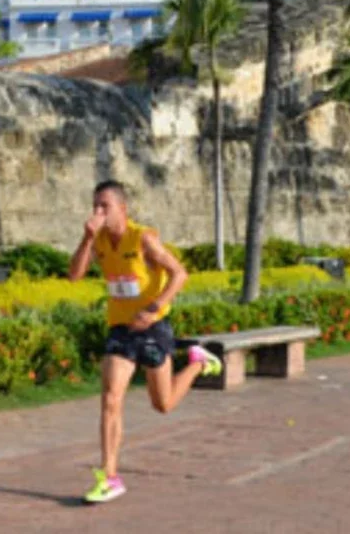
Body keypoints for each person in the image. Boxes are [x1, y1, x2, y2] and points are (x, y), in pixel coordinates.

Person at [68, 180, 224, 504]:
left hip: (152, 328)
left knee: (163, 404)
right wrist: (85, 237)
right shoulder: (96, 240)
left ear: (122, 209)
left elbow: (179, 274)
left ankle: (196, 362)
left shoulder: (143, 239)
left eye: (104, 206)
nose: (98, 212)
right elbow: (75, 275)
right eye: (95, 205)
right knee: (111, 398)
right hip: (120, 331)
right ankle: (110, 476)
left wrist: (154, 309)